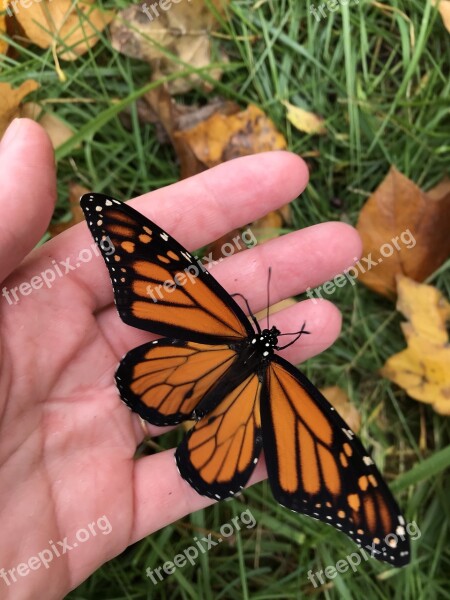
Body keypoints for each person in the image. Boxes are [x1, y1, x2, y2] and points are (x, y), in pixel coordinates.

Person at [0, 118, 361, 599]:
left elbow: (330, 467)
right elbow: (145, 256)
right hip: (218, 421)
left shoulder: (231, 325)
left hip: (178, 376)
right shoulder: (279, 377)